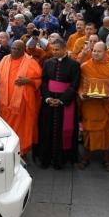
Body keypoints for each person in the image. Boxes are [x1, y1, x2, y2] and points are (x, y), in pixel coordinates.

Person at [36, 37, 80, 169]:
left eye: (57, 49)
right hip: (48, 103)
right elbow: (43, 82)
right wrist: (48, 98)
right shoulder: (48, 63)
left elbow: (74, 85)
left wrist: (61, 100)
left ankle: (60, 160)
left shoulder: (74, 64)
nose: (54, 52)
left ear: (64, 49)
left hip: (65, 103)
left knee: (63, 131)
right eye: (53, 49)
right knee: (46, 130)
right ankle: (46, 159)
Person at [78, 42, 109, 171]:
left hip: (105, 105)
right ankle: (85, 157)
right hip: (89, 105)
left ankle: (106, 159)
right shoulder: (85, 66)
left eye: (99, 51)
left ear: (105, 52)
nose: (96, 53)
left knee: (105, 132)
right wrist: (80, 94)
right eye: (94, 51)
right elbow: (80, 85)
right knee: (88, 132)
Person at [0, 41, 42, 157]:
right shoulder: (5, 59)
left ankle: (22, 151)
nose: (14, 51)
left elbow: (39, 81)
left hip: (22, 104)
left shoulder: (31, 62)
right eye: (13, 48)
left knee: (22, 128)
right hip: (5, 105)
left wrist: (28, 81)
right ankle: (8, 150)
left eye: (17, 49)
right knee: (6, 128)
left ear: (23, 50)